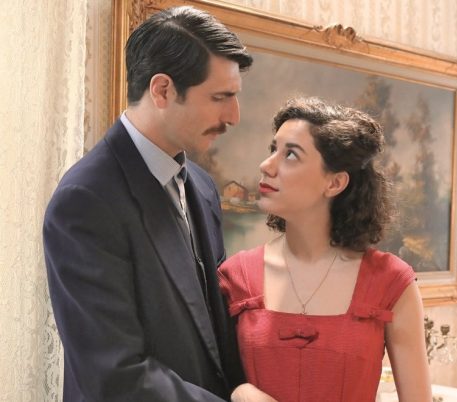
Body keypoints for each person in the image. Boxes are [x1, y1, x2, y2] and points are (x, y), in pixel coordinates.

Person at [43, 6, 274, 401]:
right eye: (221, 97)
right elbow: (114, 375)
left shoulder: (201, 186)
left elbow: (214, 333)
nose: (234, 116)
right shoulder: (84, 202)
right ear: (163, 90)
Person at [218, 97, 432, 402]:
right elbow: (206, 382)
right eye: (273, 149)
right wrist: (240, 392)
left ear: (334, 183)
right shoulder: (235, 276)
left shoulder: (391, 282)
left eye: (290, 154)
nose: (266, 165)